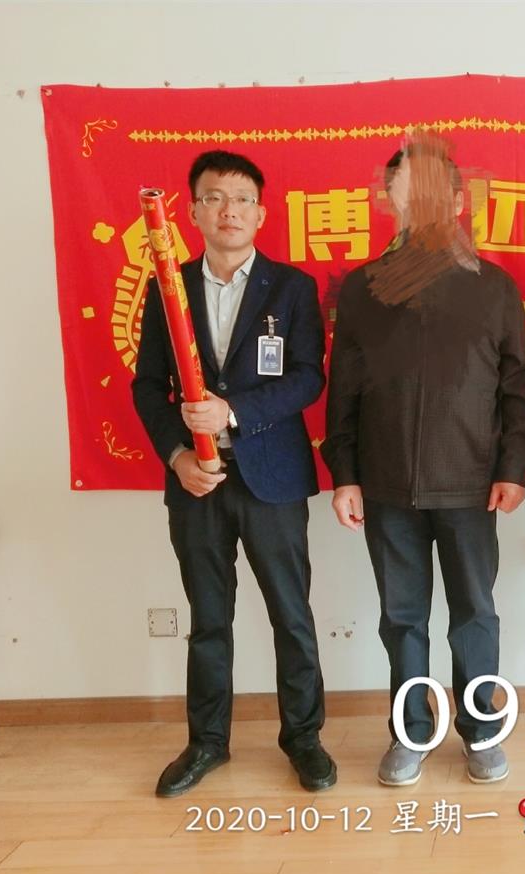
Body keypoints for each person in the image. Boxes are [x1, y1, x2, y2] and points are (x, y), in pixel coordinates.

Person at [321, 137, 525, 787]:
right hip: (387, 485)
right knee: (402, 618)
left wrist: (512, 467)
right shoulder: (363, 290)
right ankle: (411, 733)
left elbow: (518, 388)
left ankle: (480, 730)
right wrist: (345, 475)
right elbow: (343, 391)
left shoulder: (493, 288)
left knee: (475, 614)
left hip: (471, 485)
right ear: (388, 200)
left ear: (457, 200)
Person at [132, 150, 335, 797]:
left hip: (273, 477)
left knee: (291, 616)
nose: (229, 210)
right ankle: (206, 743)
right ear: (193, 212)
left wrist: (233, 412)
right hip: (197, 482)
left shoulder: (292, 288)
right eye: (215, 198)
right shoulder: (168, 287)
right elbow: (147, 388)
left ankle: (303, 738)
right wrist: (177, 457)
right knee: (209, 619)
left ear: (261, 214)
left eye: (243, 199)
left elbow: (307, 378)